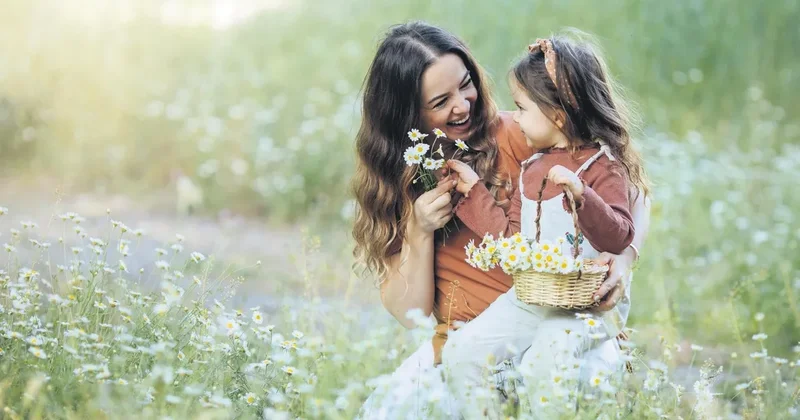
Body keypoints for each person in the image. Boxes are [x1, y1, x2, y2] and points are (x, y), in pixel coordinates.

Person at [351, 22, 650, 418]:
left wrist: (624, 259)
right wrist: (419, 231)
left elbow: (633, 192)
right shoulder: (399, 181)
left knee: (561, 384)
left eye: (466, 84)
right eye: (440, 101)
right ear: (406, 114)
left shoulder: (521, 133)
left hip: (555, 325)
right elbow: (412, 315)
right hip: (471, 345)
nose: (463, 105)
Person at [443, 34, 650, 416]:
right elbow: (511, 239)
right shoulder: (532, 168)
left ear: (557, 115)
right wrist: (473, 192)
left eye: (522, 107)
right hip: (533, 298)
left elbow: (619, 235)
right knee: (461, 353)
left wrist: (583, 197)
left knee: (545, 360)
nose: (516, 116)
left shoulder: (603, 167)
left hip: (588, 307)